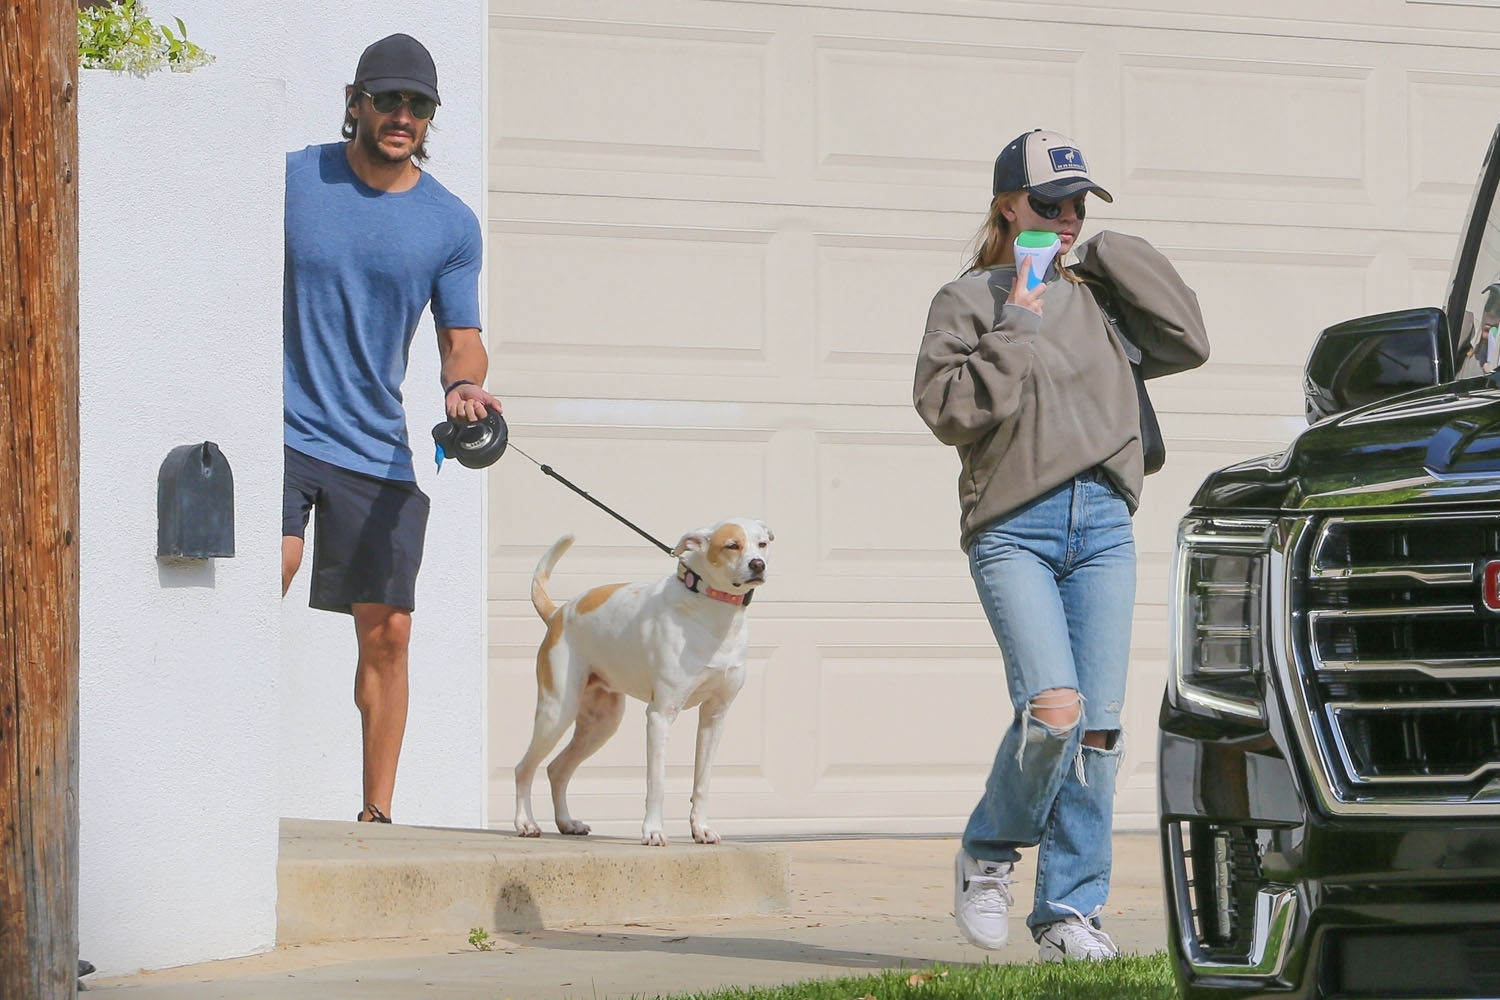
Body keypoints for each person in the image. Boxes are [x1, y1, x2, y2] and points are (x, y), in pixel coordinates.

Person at [912, 129, 1209, 960]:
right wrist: (1023, 307)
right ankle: (990, 851)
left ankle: (1071, 911)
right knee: (1054, 712)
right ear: (1008, 206)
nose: (1068, 217)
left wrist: (1115, 249)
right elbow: (951, 413)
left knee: (1102, 729)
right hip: (1015, 528)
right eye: (1050, 204)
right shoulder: (966, 301)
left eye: (1080, 204)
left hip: (1105, 527)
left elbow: (1189, 339)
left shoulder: (1102, 292)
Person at [281, 33, 501, 825]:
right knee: (269, 566)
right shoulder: (294, 179)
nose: (402, 115)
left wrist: (464, 385)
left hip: (374, 447)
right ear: (356, 102)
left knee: (390, 631)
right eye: (389, 99)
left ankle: (377, 813)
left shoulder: (449, 223)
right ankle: (207, 782)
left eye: (419, 104)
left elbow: (460, 334)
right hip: (280, 429)